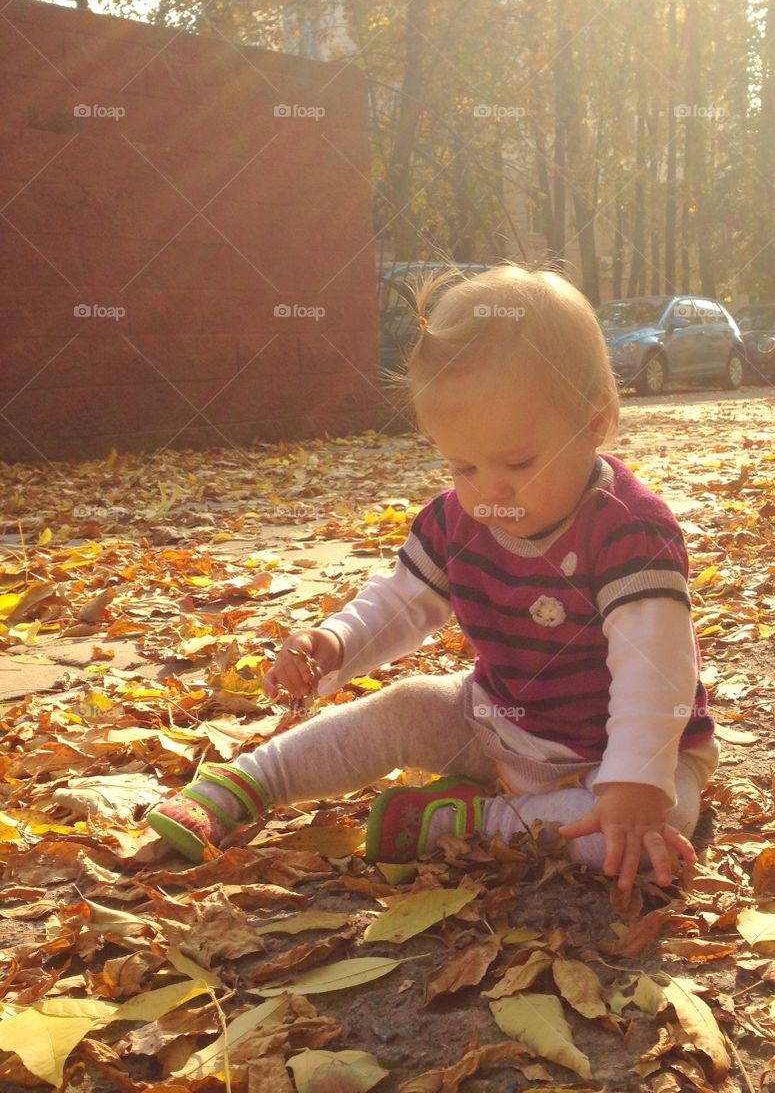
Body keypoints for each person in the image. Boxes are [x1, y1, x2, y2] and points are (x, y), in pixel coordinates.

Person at [147, 263, 719, 892]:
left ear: (593, 421)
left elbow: (656, 665)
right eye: (463, 465)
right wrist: (335, 642)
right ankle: (247, 783)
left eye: (519, 462)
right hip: (499, 722)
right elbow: (401, 602)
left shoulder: (629, 529)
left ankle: (477, 820)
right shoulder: (456, 521)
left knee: (660, 825)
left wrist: (635, 775)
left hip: (621, 756)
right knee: (407, 705)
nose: (489, 490)